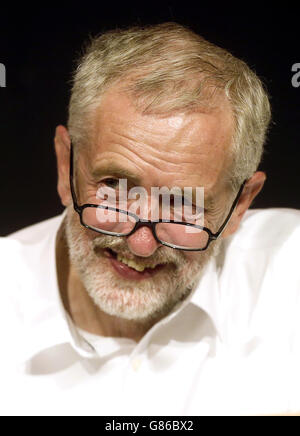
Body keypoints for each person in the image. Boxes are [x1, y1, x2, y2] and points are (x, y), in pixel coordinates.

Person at [1, 22, 300, 416]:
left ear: (239, 206)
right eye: (115, 186)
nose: (141, 243)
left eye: (182, 204)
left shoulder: (287, 266)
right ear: (64, 167)